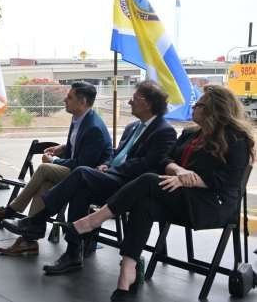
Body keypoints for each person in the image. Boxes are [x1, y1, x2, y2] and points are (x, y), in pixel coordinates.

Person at [63, 85, 254, 301]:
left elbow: (228, 182)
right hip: (181, 197)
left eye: (199, 104)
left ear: (214, 109)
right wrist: (179, 171)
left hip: (212, 205)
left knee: (147, 180)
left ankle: (91, 221)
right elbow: (165, 160)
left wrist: (187, 180)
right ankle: (126, 276)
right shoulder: (191, 133)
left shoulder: (237, 139)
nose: (193, 106)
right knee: (143, 204)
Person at [1, 81, 177, 273]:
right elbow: (118, 153)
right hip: (113, 176)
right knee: (81, 189)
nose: (129, 102)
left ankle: (36, 221)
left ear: (147, 103)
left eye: (133, 99)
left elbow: (147, 165)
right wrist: (107, 165)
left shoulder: (164, 131)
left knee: (82, 172)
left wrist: (112, 170)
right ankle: (73, 253)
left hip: (130, 186)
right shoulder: (133, 127)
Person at [0, 81, 113, 256]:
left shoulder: (93, 127)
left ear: (83, 102)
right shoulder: (79, 118)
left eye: (69, 97)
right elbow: (77, 146)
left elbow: (82, 165)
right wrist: (63, 148)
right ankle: (29, 240)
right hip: (77, 170)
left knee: (44, 169)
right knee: (44, 184)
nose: (65, 99)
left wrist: (55, 160)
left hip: (88, 177)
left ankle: (8, 212)